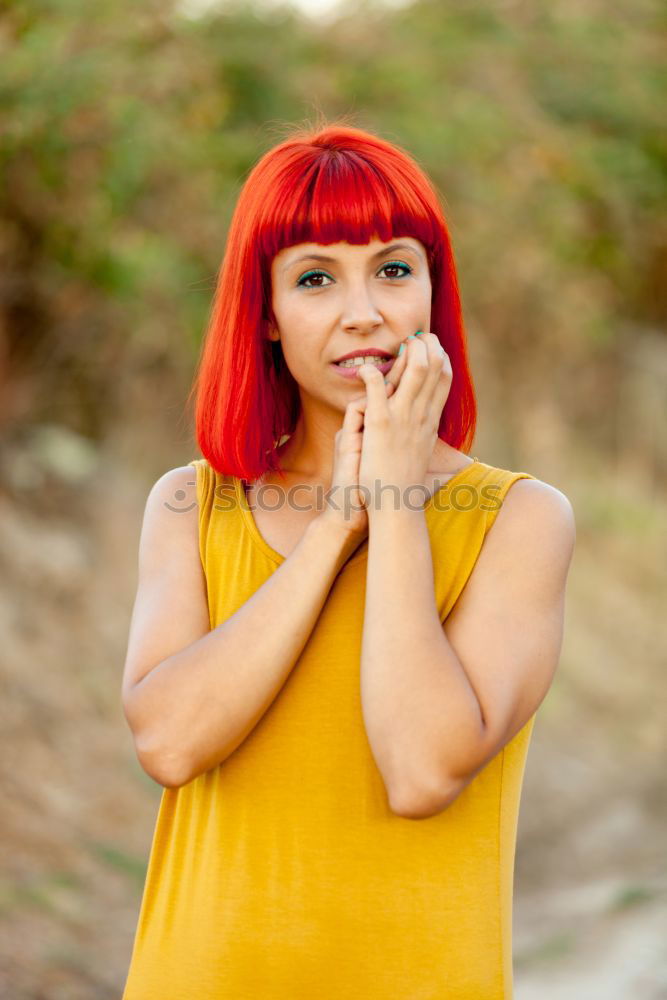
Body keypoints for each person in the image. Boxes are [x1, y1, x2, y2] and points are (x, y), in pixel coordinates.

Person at [120, 120, 575, 999]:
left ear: (432, 296)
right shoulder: (190, 504)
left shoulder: (518, 519)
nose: (363, 310)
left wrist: (396, 499)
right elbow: (169, 744)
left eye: (394, 270)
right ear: (264, 311)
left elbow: (421, 769)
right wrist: (337, 525)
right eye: (316, 278)